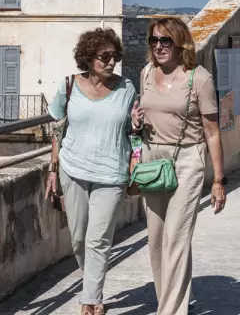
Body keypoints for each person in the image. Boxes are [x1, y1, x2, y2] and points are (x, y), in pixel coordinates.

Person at [130, 17, 226, 315]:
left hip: (186, 160)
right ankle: (170, 303)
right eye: (154, 40)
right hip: (151, 160)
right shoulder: (146, 73)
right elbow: (143, 115)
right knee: (157, 240)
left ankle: (170, 312)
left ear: (180, 42)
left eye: (165, 40)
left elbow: (212, 132)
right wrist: (136, 122)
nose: (158, 46)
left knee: (177, 236)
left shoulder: (200, 79)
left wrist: (218, 181)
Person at [45, 28, 137, 315]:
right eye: (104, 57)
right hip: (72, 170)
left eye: (114, 56)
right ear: (88, 57)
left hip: (111, 173)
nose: (111, 62)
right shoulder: (68, 85)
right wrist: (52, 169)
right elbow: (57, 130)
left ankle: (90, 301)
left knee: (98, 239)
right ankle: (92, 287)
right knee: (78, 237)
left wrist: (136, 126)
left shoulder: (127, 89)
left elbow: (133, 134)